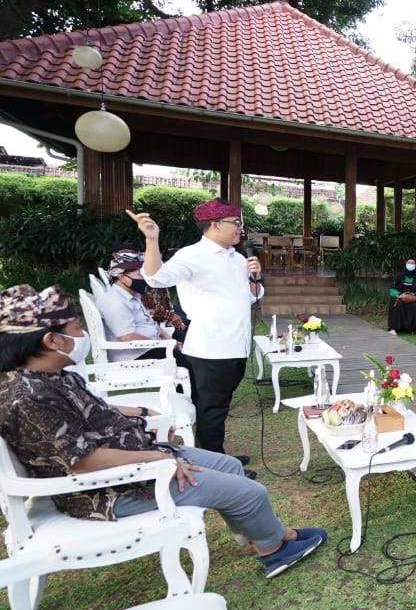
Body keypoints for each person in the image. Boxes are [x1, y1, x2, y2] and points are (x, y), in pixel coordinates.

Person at [0, 284, 328, 578]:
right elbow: (83, 462)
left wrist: (143, 412)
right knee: (251, 493)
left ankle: (263, 534)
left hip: (133, 460)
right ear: (51, 340)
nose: (82, 332)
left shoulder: (51, 376)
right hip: (108, 490)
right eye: (76, 327)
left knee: (230, 466)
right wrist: (158, 458)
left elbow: (92, 410)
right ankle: (274, 550)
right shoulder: (27, 397)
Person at [128, 201, 260, 461]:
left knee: (218, 407)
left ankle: (215, 457)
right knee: (212, 408)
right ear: (215, 225)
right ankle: (216, 464)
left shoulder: (237, 258)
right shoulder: (192, 255)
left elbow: (252, 297)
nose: (240, 229)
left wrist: (256, 277)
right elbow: (156, 278)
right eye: (236, 222)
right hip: (211, 347)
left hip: (238, 344)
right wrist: (152, 240)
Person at [95, 252, 183, 363]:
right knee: (193, 361)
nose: (145, 279)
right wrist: (163, 344)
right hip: (136, 356)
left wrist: (169, 339)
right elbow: (127, 337)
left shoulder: (132, 294)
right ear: (122, 277)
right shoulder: (116, 302)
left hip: (150, 346)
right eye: (140, 275)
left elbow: (149, 322)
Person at [387, 258, 416, 336]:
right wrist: (399, 295)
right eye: (409, 262)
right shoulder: (398, 275)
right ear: (405, 264)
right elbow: (392, 289)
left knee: (415, 305)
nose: (410, 264)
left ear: (415, 265)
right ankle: (393, 328)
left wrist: (413, 296)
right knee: (399, 304)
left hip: (413, 297)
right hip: (400, 296)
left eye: (413, 263)